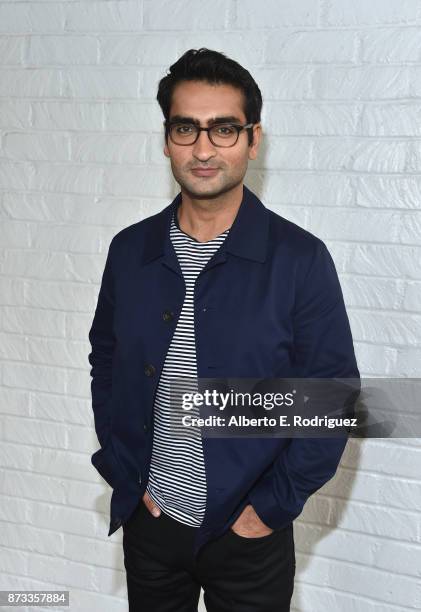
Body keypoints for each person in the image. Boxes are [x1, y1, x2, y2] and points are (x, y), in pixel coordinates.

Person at [88, 48, 360, 612]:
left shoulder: (299, 259)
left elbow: (332, 396)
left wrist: (267, 511)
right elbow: (106, 361)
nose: (204, 148)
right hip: (152, 525)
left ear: (252, 140)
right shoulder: (129, 251)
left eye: (224, 129)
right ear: (166, 139)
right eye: (187, 128)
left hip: (248, 536)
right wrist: (125, 473)